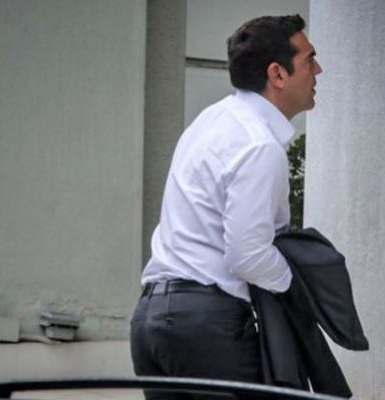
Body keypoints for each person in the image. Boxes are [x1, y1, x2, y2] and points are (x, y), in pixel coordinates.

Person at [129, 14, 322, 396]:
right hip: (205, 327)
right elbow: (247, 255)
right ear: (277, 74)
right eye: (309, 60)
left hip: (150, 320)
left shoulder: (211, 120)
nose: (318, 70)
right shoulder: (259, 145)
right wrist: (298, 287)